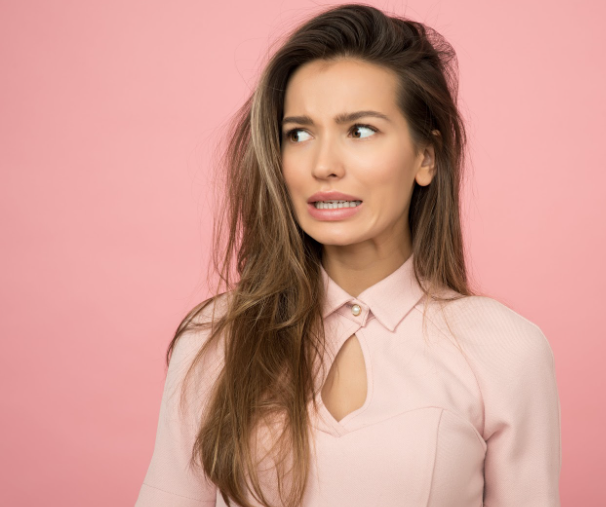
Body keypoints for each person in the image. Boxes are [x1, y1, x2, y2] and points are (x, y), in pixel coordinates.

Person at [135, 3, 562, 506]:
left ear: (426, 156)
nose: (323, 164)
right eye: (299, 133)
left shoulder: (505, 349)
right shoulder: (216, 342)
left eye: (359, 130)